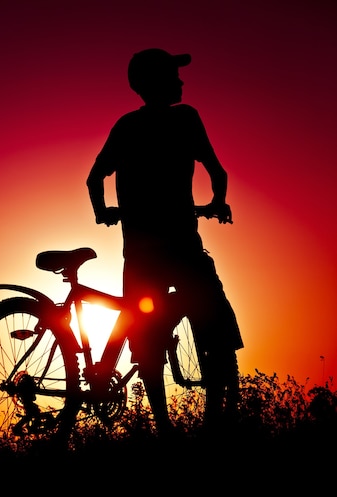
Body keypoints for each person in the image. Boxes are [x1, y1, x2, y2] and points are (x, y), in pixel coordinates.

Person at [86, 48, 243, 437]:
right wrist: (218, 203)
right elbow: (217, 172)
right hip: (181, 245)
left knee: (144, 333)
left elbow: (94, 179)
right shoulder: (186, 118)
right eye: (174, 75)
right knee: (214, 317)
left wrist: (103, 212)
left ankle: (163, 427)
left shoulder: (125, 126)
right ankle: (217, 421)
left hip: (139, 250)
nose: (181, 80)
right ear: (158, 81)